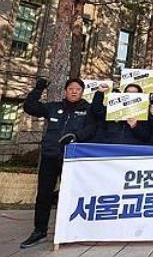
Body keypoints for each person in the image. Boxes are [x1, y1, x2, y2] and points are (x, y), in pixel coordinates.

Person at [20, 78, 96, 249]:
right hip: (50, 156)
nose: (74, 91)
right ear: (66, 91)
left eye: (77, 89)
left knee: (72, 196)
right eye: (70, 88)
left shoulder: (88, 110)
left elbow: (92, 129)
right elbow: (30, 107)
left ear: (82, 92)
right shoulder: (54, 107)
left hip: (72, 159)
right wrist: (38, 89)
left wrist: (77, 137)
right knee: (44, 195)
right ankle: (39, 231)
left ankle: (72, 231)